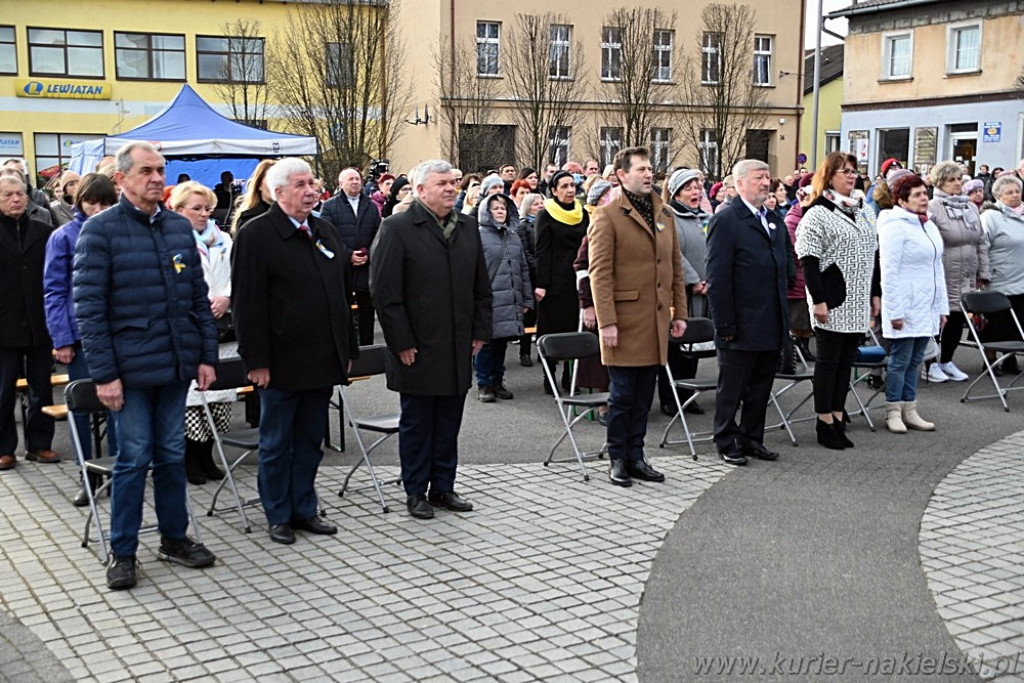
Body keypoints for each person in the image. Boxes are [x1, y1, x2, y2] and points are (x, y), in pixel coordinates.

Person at [73, 141, 218, 590]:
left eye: (161, 170)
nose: (157, 178)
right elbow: (90, 310)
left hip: (174, 367)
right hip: (128, 373)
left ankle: (174, 538)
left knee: (172, 456)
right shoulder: (100, 232)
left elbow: (197, 298)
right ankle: (123, 551)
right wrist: (105, 375)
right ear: (122, 180)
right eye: (147, 171)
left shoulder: (178, 229)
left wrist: (206, 355)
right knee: (133, 460)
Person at [232, 157, 358, 545]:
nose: (310, 191)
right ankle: (278, 513)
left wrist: (348, 348)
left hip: (322, 357)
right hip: (281, 361)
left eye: (312, 183)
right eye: (301, 184)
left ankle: (304, 507)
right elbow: (247, 304)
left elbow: (341, 294)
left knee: (308, 442)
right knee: (276, 442)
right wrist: (256, 361)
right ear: (279, 191)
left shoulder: (324, 229)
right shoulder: (256, 235)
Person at [370, 160, 491, 520]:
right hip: (417, 348)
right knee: (418, 423)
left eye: (454, 183)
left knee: (449, 421)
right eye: (443, 184)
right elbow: (385, 293)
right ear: (421, 190)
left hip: (457, 344)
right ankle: (415, 490)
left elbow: (480, 285)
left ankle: (443, 486)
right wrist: (401, 342)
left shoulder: (467, 227)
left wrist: (479, 332)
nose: (452, 188)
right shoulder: (397, 227)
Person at [588, 147, 687, 486]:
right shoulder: (608, 215)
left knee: (645, 395)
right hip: (625, 321)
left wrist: (680, 312)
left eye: (650, 168)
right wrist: (607, 323)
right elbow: (599, 274)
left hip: (656, 320)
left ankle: (637, 455)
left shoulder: (664, 214)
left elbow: (673, 268)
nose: (649, 174)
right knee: (623, 395)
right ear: (621, 175)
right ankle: (617, 457)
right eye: (641, 169)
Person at [705, 160, 788, 466]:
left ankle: (752, 438)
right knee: (733, 389)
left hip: (770, 319)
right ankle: (726, 440)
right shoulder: (727, 220)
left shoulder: (773, 218)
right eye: (758, 178)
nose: (765, 183)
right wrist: (725, 323)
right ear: (739, 184)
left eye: (767, 177)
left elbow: (783, 265)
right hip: (739, 323)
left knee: (760, 387)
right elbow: (717, 277)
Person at [44, 173, 120, 502]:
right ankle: (86, 472)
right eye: (91, 201)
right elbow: (54, 291)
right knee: (81, 407)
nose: (97, 208)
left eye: (105, 202)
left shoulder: (120, 232)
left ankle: (118, 471)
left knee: (120, 405)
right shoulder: (63, 237)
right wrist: (61, 338)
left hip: (119, 332)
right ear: (80, 201)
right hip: (80, 335)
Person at [794, 152, 878, 450]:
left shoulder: (864, 208)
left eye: (854, 171)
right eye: (844, 171)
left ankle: (839, 415)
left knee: (846, 363)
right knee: (828, 363)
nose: (851, 175)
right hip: (831, 297)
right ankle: (824, 421)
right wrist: (818, 300)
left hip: (858, 297)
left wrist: (875, 293)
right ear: (829, 176)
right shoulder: (817, 212)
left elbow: (873, 252)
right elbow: (808, 260)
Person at [168, 181, 234, 486]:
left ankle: (208, 456)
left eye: (207, 208)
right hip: (190, 327)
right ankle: (189, 460)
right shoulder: (170, 242)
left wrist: (226, 297)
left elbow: (237, 274)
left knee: (220, 399)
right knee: (193, 402)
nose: (204, 214)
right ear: (178, 210)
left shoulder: (225, 240)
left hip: (223, 327)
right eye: (197, 209)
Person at [0, 174, 62, 473]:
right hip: (4, 326)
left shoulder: (45, 231)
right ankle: (3, 449)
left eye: (20, 194)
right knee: (3, 391)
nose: (15, 199)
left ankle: (39, 444)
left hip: (40, 323)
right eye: (8, 194)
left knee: (42, 388)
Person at [877, 173, 947, 433]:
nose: (924, 198)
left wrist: (940, 307)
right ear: (902, 200)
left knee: (917, 359)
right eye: (917, 195)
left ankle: (911, 408)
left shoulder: (928, 225)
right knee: (900, 360)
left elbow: (936, 268)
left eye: (925, 193)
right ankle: (893, 410)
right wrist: (894, 310)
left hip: (926, 304)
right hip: (905, 304)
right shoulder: (894, 226)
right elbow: (889, 271)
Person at [926, 160, 989, 383]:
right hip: (943, 270)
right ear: (940, 182)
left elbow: (980, 242)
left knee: (957, 317)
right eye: (951, 180)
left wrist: (983, 271)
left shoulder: (970, 207)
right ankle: (930, 363)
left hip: (966, 272)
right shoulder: (932, 206)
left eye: (959, 179)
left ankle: (947, 360)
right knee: (937, 319)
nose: (957, 183)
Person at [656, 168, 710, 417]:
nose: (695, 192)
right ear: (677, 193)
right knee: (675, 345)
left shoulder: (705, 218)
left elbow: (712, 250)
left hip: (704, 291)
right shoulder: (669, 217)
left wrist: (710, 279)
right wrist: (693, 279)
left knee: (694, 344)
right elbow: (672, 253)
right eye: (689, 188)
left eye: (697, 187)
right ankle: (669, 397)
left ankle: (689, 396)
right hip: (680, 292)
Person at [534, 171, 590, 394]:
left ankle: (571, 376)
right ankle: (550, 377)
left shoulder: (583, 213)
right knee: (552, 329)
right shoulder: (546, 215)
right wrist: (542, 283)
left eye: (572, 186)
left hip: (577, 278)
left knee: (573, 329)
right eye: (564, 186)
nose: (569, 190)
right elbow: (542, 251)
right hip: (555, 282)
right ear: (554, 191)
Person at [474, 194, 533, 402]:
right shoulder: (478, 236)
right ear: (486, 212)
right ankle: (484, 383)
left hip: (510, 298)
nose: (500, 211)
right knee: (486, 343)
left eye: (503, 208)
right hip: (488, 301)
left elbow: (523, 269)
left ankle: (498, 381)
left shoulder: (513, 236)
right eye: (495, 208)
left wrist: (526, 298)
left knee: (502, 342)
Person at [321, 167, 382, 346]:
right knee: (344, 312)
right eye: (350, 179)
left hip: (365, 269)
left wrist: (369, 254)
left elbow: (379, 233)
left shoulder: (370, 206)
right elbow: (326, 237)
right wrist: (347, 255)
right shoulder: (330, 206)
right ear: (341, 184)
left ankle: (367, 347)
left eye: (357, 179)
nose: (355, 182)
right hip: (342, 270)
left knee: (366, 311)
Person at [980, 175, 1024, 375]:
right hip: (1000, 279)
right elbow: (982, 246)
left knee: (1018, 322)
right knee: (997, 323)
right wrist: (983, 273)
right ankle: (990, 360)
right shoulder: (991, 217)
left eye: (1017, 191)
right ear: (998, 195)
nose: (1015, 195)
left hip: (1021, 278)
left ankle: (1011, 358)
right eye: (1009, 192)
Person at [516, 192, 543, 367]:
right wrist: (539, 269)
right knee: (529, 317)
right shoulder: (522, 227)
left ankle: (544, 350)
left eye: (542, 202)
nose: (540, 206)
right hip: (531, 277)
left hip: (544, 277)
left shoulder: (547, 224)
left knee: (544, 317)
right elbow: (525, 253)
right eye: (536, 204)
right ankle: (525, 351)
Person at [231, 159, 276, 234]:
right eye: (271, 180)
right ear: (259, 185)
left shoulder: (293, 216)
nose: (275, 185)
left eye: (280, 180)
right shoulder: (247, 220)